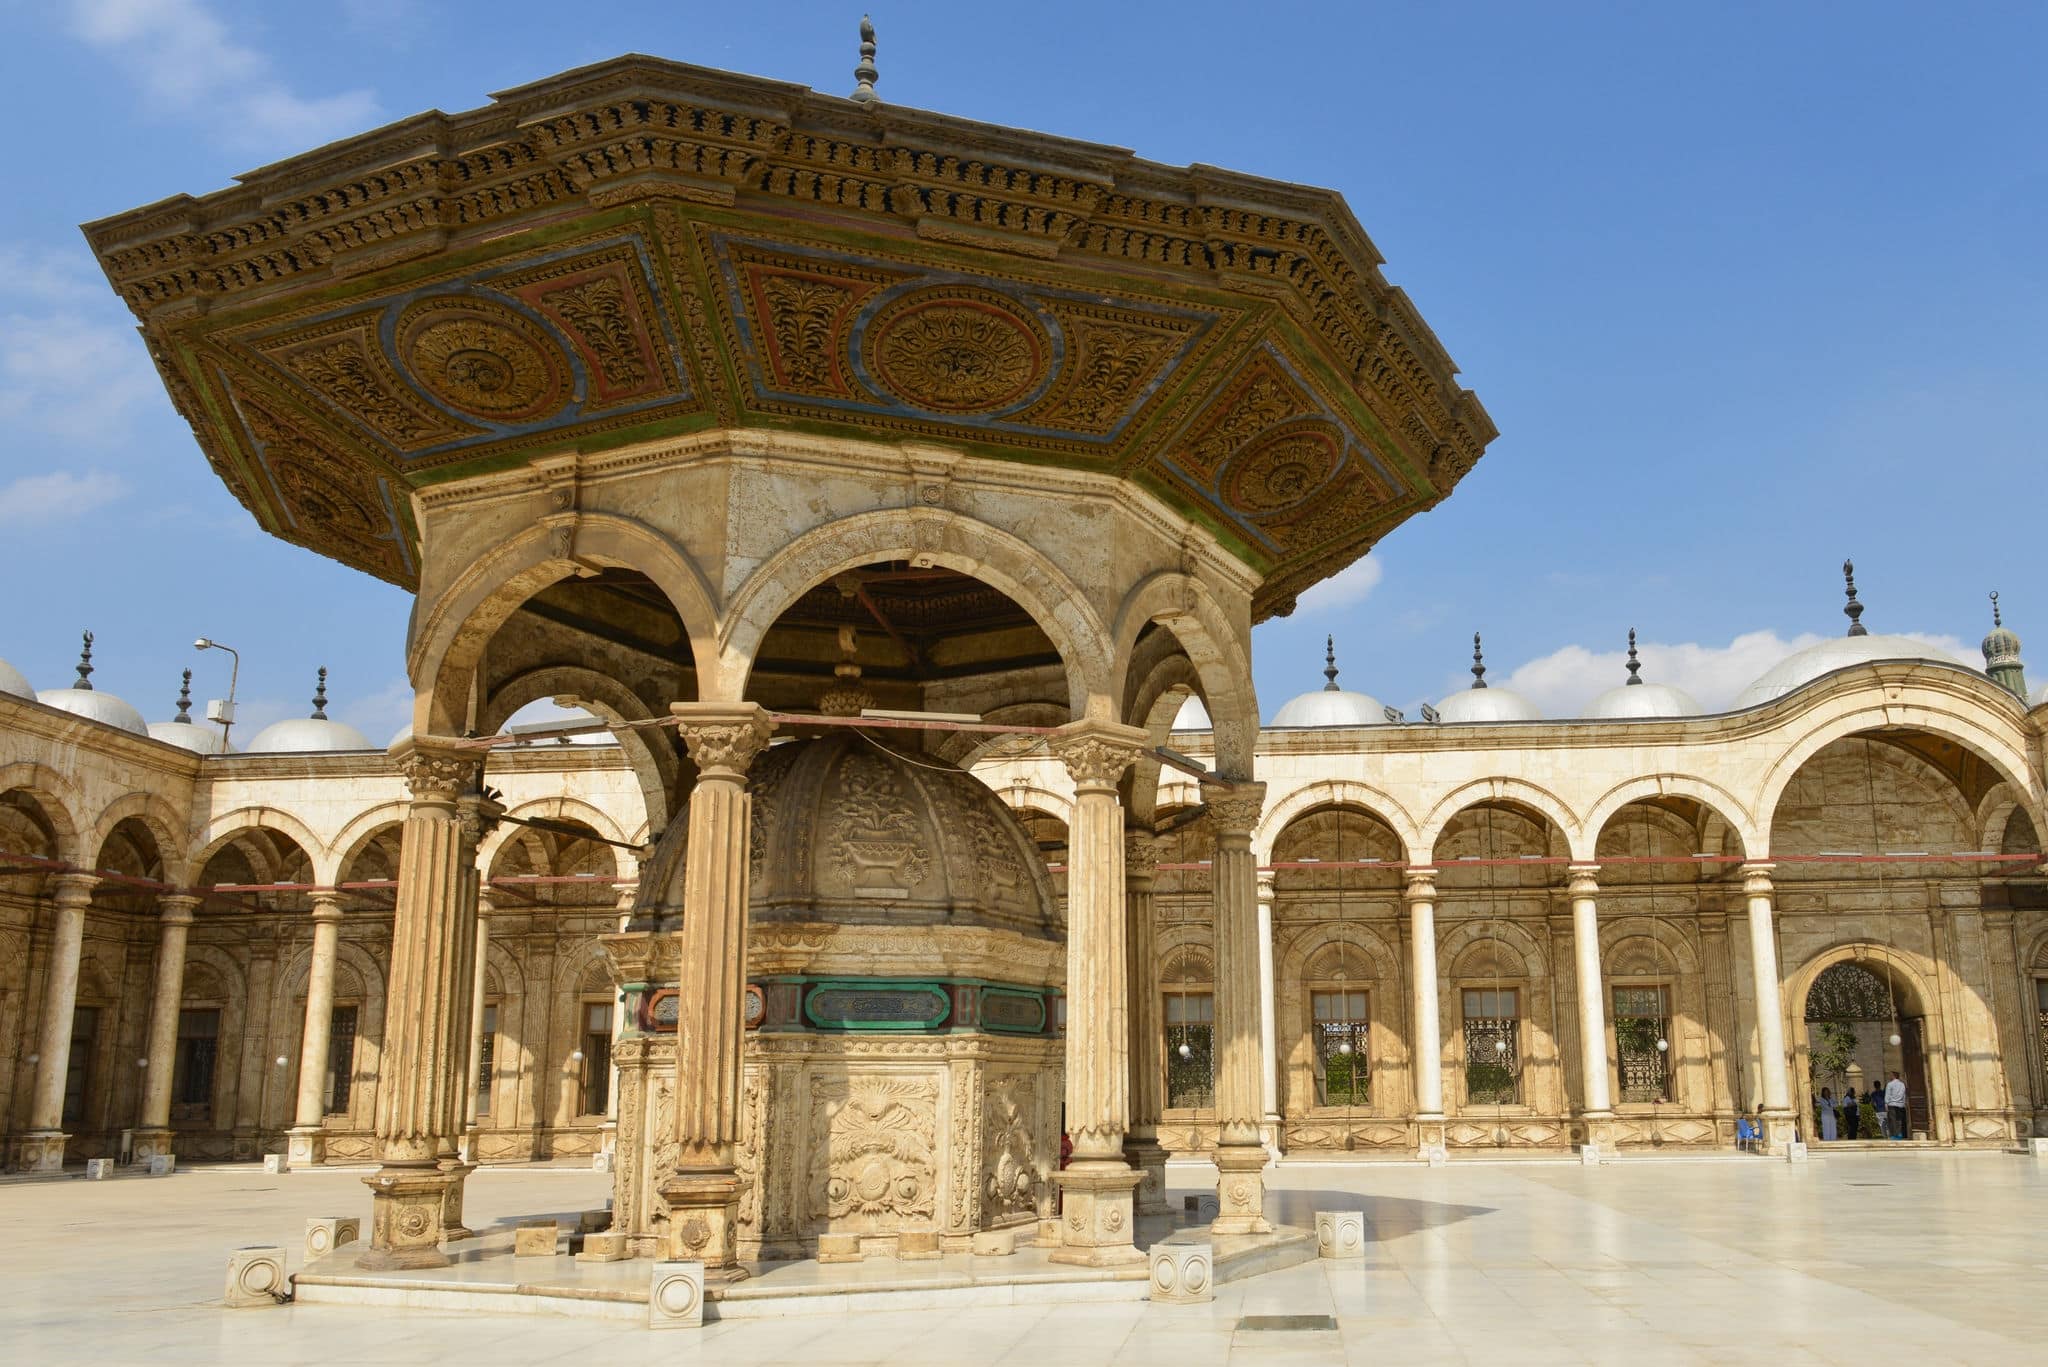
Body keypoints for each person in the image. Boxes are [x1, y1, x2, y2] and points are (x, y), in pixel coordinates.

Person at [1884, 1071, 1908, 1140]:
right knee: (1899, 1120)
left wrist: (1886, 1103)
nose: (1889, 1076)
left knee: (1892, 1120)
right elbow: (1904, 1095)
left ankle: (1894, 1135)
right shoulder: (1902, 1084)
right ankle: (1899, 1134)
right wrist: (1903, 1103)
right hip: (1900, 1104)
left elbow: (1887, 1095)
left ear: (1893, 1076)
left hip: (1892, 1104)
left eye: (1890, 1075)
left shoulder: (1890, 1084)